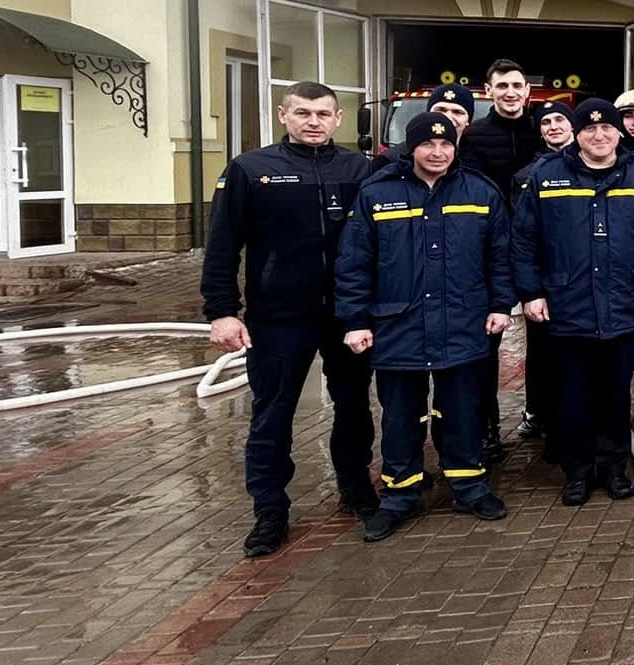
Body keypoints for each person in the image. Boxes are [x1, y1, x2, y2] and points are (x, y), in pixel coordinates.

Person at [203, 82, 378, 558]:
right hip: (279, 315)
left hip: (346, 314)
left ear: (338, 119)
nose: (313, 122)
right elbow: (222, 245)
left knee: (354, 406)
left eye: (323, 114)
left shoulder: (359, 170)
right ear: (283, 115)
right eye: (303, 113)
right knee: (273, 413)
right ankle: (269, 509)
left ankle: (355, 486)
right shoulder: (250, 170)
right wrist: (222, 311)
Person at [335, 111, 513, 541]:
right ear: (411, 148)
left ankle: (469, 486)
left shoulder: (480, 191)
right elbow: (354, 262)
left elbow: (500, 256)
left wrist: (501, 304)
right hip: (399, 324)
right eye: (428, 144)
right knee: (401, 416)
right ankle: (400, 495)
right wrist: (355, 320)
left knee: (463, 411)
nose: (437, 152)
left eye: (446, 144)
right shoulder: (377, 194)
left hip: (463, 321)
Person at [514, 97, 634, 504]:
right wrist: (531, 293)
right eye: (589, 128)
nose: (599, 135)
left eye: (606, 127)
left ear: (618, 132)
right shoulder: (547, 176)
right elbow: (524, 240)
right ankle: (577, 471)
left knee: (614, 393)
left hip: (624, 304)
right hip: (566, 305)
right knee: (572, 395)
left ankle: (613, 467)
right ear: (577, 134)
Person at [460, 59, 541, 469]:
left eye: (517, 85)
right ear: (488, 91)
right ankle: (487, 430)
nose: (511, 92)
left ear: (527, 91)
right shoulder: (473, 137)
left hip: (538, 251)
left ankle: (540, 414)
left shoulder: (542, 129)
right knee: (485, 344)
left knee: (545, 339)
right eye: (502, 86)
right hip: (490, 252)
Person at [514, 99, 576, 457]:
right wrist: (531, 288)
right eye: (546, 122)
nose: (553, 127)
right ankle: (548, 423)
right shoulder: (527, 176)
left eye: (559, 120)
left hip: (582, 282)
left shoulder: (597, 165)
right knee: (544, 358)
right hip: (547, 285)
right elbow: (522, 236)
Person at [370, 81, 476, 174]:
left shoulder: (478, 159)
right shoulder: (390, 160)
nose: (448, 117)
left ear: (468, 120)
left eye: (457, 112)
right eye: (441, 110)